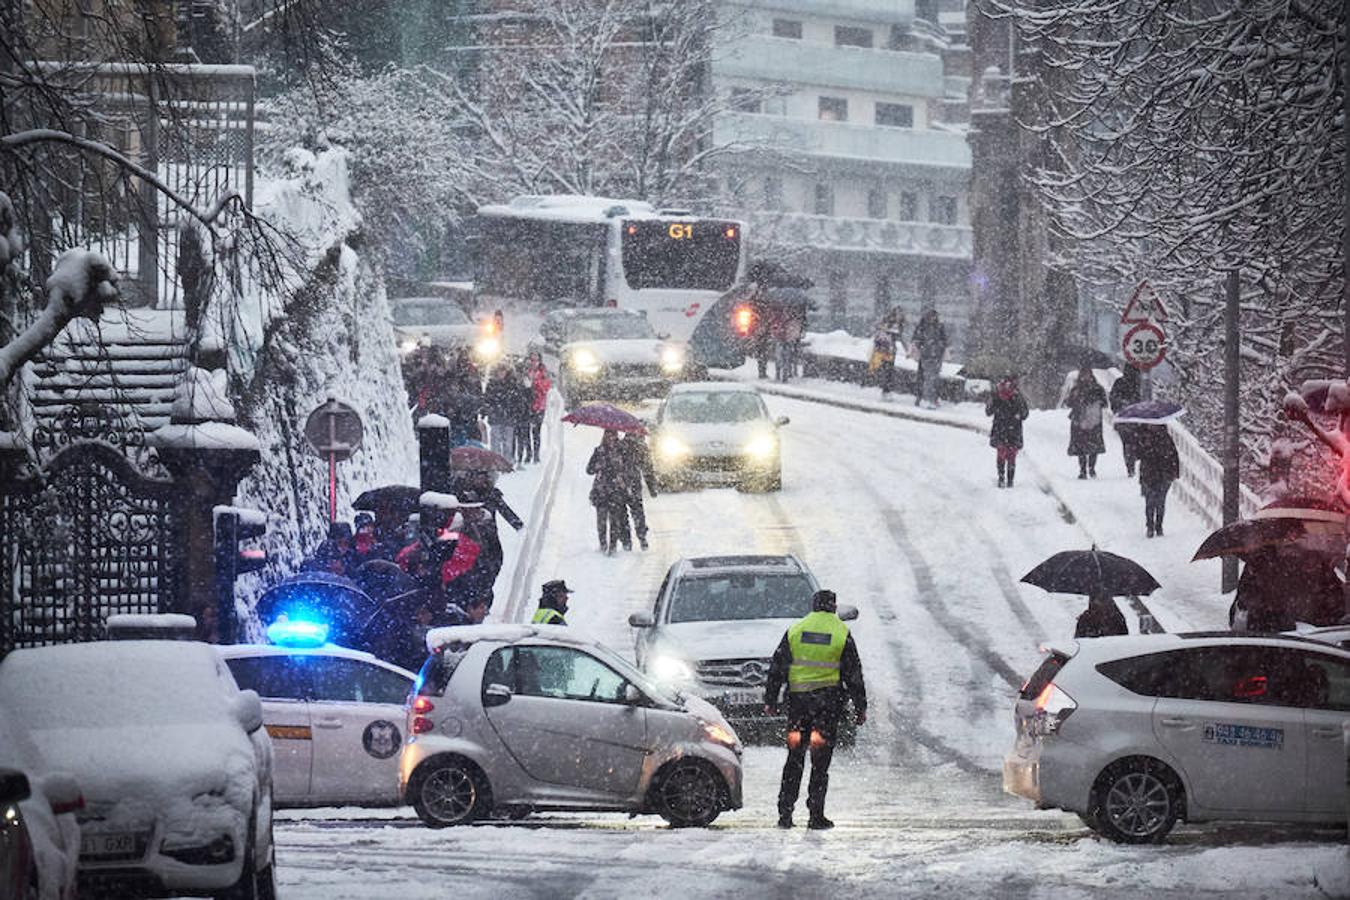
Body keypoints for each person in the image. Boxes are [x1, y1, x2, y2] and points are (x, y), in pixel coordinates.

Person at [763, 589, 867, 830]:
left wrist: (771, 699)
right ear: (833, 607)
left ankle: (785, 813)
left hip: (798, 708)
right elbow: (854, 674)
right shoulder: (840, 632)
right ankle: (815, 814)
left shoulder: (796, 630)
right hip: (827, 709)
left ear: (813, 606)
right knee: (820, 762)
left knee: (795, 758)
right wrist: (860, 706)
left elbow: (777, 667)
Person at [587, 429, 632, 554]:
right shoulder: (599, 451)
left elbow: (627, 469)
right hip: (601, 490)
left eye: (612, 435)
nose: (610, 438)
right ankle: (603, 545)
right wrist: (598, 467)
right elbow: (589, 469)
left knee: (615, 521)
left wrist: (622, 478)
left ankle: (613, 546)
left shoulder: (622, 450)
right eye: (608, 435)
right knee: (601, 521)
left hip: (616, 490)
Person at [1135, 423, 1179, 537]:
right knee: (1154, 502)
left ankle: (1155, 525)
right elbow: (1174, 456)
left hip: (1156, 474)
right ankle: (1153, 525)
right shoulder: (1149, 437)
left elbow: (1173, 455)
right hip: (1155, 474)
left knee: (1156, 502)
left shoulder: (1160, 438)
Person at [985, 375, 1029, 488]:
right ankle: (1009, 480)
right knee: (1011, 456)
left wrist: (994, 404)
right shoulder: (1016, 395)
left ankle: (1002, 479)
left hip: (1002, 429)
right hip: (1012, 429)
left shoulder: (999, 395)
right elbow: (1025, 413)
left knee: (1002, 455)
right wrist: (1018, 416)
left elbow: (988, 411)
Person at [619, 431, 659, 550]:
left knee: (622, 515)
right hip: (634, 485)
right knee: (637, 513)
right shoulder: (641, 448)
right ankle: (642, 537)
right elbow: (648, 470)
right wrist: (652, 487)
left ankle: (626, 541)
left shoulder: (620, 445)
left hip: (620, 486)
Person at [1065, 366, 1107, 478]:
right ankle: (1082, 469)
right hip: (1079, 419)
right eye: (1083, 375)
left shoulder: (1098, 388)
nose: (1085, 377)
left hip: (1094, 419)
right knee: (1080, 446)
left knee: (1093, 445)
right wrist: (1074, 397)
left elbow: (1104, 403)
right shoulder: (1076, 389)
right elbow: (1068, 403)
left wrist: (1094, 404)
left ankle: (1092, 468)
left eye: (1087, 375)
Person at [1108, 366, 1142, 476]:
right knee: (1133, 441)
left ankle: (1130, 464)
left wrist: (1119, 408)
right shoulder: (1137, 384)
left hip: (1123, 417)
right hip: (1134, 418)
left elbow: (1113, 398)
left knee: (1127, 443)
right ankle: (1132, 461)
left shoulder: (1120, 382)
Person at [911, 309, 948, 408]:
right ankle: (922, 397)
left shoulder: (939, 327)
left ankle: (931, 399)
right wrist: (922, 347)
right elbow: (916, 339)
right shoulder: (923, 327)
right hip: (925, 356)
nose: (933, 319)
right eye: (932, 316)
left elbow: (945, 340)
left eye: (934, 316)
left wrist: (938, 347)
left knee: (933, 379)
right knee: (924, 378)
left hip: (935, 356)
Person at [483, 362, 520, 462]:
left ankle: (506, 462)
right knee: (495, 442)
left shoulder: (512, 384)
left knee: (507, 442)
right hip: (496, 416)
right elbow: (487, 399)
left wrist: (514, 411)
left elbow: (516, 400)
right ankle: (495, 461)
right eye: (500, 371)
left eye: (503, 371)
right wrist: (489, 410)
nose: (501, 373)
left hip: (509, 416)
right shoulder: (492, 384)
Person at [525, 351, 552, 464]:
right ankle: (528, 453)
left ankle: (536, 454)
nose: (534, 362)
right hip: (526, 405)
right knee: (525, 431)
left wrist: (535, 383)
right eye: (532, 360)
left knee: (536, 431)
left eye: (536, 360)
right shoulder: (525, 371)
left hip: (539, 406)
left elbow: (546, 387)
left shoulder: (543, 372)